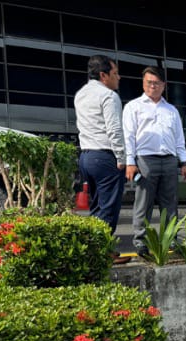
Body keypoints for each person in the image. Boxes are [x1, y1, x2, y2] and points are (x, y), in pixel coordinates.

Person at [122, 67, 186, 258]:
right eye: (149, 82)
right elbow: (128, 136)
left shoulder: (171, 110)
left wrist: (184, 162)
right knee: (144, 202)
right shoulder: (133, 107)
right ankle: (140, 241)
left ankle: (171, 239)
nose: (152, 86)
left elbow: (179, 139)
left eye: (156, 83)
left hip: (169, 161)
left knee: (170, 204)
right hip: (145, 160)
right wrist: (130, 161)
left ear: (163, 86)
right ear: (144, 84)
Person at [74, 54, 130, 264]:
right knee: (109, 207)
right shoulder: (108, 96)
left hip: (86, 156)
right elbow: (114, 129)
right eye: (115, 73)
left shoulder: (81, 94)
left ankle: (95, 250)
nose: (119, 78)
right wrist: (122, 157)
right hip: (105, 156)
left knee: (97, 206)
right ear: (103, 75)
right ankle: (101, 253)